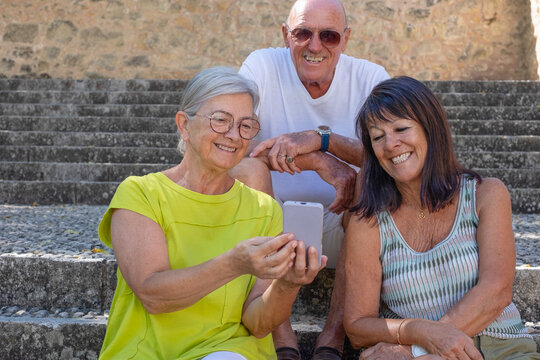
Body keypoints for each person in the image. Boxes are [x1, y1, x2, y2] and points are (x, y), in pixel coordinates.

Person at [97, 67, 326, 360]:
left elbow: (257, 325)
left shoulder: (263, 209)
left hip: (230, 352)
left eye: (246, 125)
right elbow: (153, 295)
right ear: (184, 125)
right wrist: (234, 264)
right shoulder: (141, 194)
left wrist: (288, 284)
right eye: (220, 121)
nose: (233, 135)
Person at [344, 76, 540, 360]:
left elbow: (496, 291)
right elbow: (358, 327)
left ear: (430, 128)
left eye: (401, 128)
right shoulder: (368, 224)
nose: (391, 144)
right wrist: (420, 332)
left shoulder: (486, 195)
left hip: (501, 349)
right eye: (377, 136)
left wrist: (418, 351)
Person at [234, 0, 389, 358]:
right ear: (286, 35)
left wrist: (325, 140)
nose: (315, 46)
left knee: (371, 178)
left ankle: (333, 336)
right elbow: (229, 140)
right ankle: (278, 332)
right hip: (268, 222)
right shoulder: (262, 65)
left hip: (351, 227)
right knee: (249, 169)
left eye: (329, 35)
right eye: (303, 33)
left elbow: (395, 154)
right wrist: (319, 161)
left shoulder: (369, 78)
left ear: (345, 40)